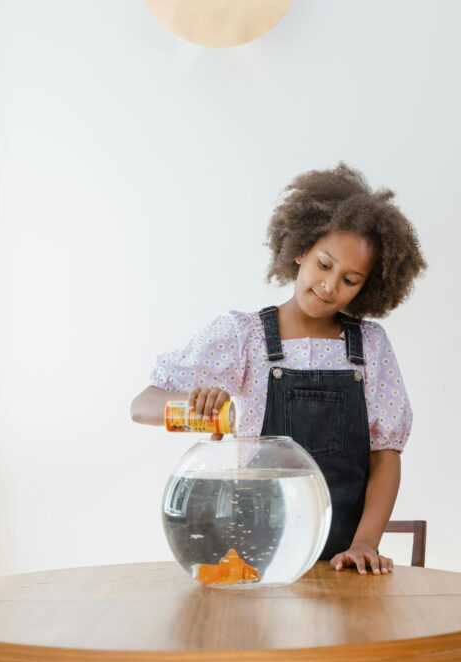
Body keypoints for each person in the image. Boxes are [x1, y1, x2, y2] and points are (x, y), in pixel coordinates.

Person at [131, 162, 426, 576]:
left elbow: (386, 456)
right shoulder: (243, 336)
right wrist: (195, 403)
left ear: (368, 287)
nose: (329, 286)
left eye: (350, 279)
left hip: (343, 561)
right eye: (324, 265)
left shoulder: (371, 346)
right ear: (301, 249)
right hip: (255, 555)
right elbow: (142, 405)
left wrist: (365, 544)